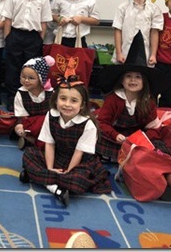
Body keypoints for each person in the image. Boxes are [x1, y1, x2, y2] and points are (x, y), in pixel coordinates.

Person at [20, 73, 111, 208]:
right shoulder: (51, 115)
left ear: (82, 105)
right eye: (63, 99)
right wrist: (50, 169)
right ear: (56, 100)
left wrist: (68, 172)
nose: (67, 104)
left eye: (74, 101)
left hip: (78, 162)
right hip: (56, 156)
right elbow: (49, 144)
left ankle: (36, 176)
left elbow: (78, 153)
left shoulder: (88, 125)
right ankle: (56, 189)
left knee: (77, 180)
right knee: (29, 154)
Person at [95, 32, 171, 162]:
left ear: (144, 82)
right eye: (128, 76)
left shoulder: (148, 101)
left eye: (138, 77)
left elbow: (153, 127)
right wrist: (115, 135)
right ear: (122, 80)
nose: (133, 80)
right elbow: (102, 123)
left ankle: (134, 156)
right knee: (96, 137)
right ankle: (120, 156)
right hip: (115, 135)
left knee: (157, 144)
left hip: (137, 137)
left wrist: (141, 138)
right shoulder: (113, 99)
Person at [1, 0, 52, 111]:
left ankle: (29, 97)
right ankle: (12, 97)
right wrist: (8, 38)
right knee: (13, 68)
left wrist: (39, 39)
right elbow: (8, 19)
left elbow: (44, 22)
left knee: (32, 69)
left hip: (33, 37)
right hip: (15, 35)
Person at [112, 0, 163, 67]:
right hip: (125, 52)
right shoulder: (122, 8)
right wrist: (119, 53)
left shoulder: (154, 9)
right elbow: (117, 30)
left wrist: (153, 54)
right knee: (125, 73)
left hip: (145, 53)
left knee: (142, 74)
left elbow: (154, 32)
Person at [13, 56, 55, 150]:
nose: (26, 80)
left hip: (46, 123)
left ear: (41, 78)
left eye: (31, 78)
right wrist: (20, 126)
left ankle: (32, 141)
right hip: (30, 122)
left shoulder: (50, 93)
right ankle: (33, 140)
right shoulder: (21, 93)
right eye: (23, 77)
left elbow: (54, 113)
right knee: (19, 128)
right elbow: (21, 116)